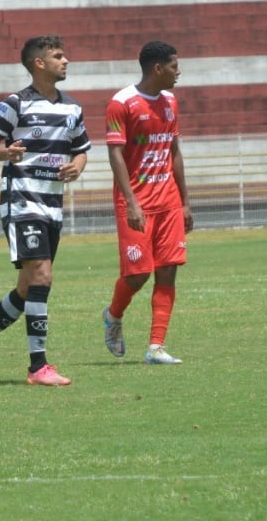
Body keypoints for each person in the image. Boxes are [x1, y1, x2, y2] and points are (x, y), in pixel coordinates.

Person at [0, 35, 90, 386]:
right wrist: (6, 153)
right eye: (58, 56)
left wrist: (77, 166)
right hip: (21, 201)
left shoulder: (72, 109)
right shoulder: (15, 104)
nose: (66, 61)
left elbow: (80, 149)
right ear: (39, 63)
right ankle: (38, 367)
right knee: (43, 276)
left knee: (25, 290)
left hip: (52, 204)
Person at [102, 40, 193, 364]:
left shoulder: (170, 101)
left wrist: (184, 201)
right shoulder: (122, 103)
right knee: (138, 274)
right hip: (137, 201)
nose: (178, 72)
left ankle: (156, 347)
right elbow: (115, 153)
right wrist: (131, 202)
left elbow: (174, 151)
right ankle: (113, 316)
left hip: (168, 200)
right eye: (174, 66)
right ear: (158, 68)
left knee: (168, 271)